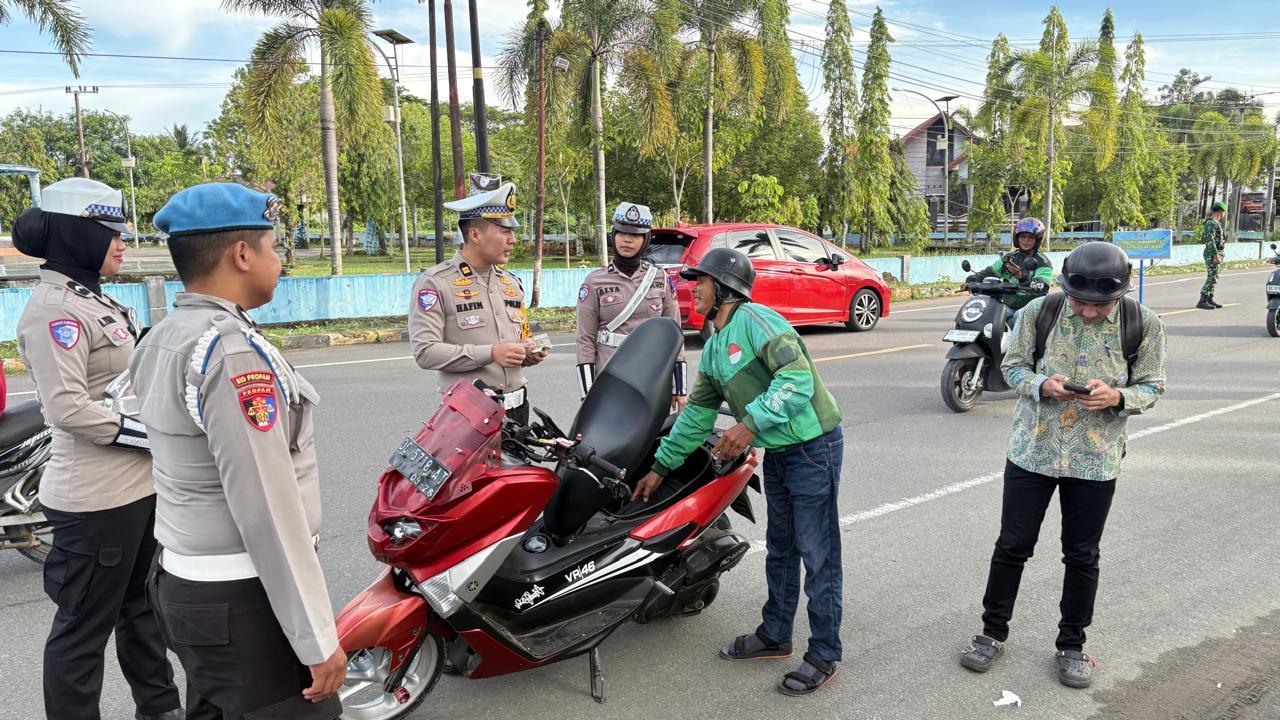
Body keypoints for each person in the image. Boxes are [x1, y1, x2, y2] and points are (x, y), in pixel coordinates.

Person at [132, 183, 346, 719]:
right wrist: (316, 637)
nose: (280, 261)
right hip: (241, 597)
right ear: (242, 254)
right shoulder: (230, 353)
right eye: (274, 247)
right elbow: (267, 509)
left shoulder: (165, 334)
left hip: (190, 584)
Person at [631, 248, 845, 697]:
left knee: (817, 553)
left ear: (726, 287)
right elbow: (696, 418)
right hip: (784, 453)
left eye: (702, 281)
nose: (694, 288)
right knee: (782, 549)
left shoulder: (758, 321)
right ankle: (776, 634)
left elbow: (798, 378)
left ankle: (824, 653)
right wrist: (659, 468)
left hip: (813, 448)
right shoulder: (712, 348)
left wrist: (748, 426)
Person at [958, 241, 1167, 689]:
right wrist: (1040, 385)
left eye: (1100, 304)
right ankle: (991, 633)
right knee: (1012, 546)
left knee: (1082, 554)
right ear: (1065, 287)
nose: (1089, 312)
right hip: (1033, 451)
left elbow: (1152, 385)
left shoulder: (1143, 324)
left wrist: (1118, 397)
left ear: (1119, 294)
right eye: (1080, 301)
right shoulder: (1040, 311)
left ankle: (1072, 645)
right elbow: (1011, 366)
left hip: (1096, 459)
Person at [12, 178, 182, 720]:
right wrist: (155, 435)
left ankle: (160, 711)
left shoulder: (92, 297)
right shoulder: (53, 311)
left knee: (144, 614)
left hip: (137, 490)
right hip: (94, 499)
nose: (122, 240)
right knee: (83, 632)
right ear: (75, 235)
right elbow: (68, 409)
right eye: (107, 231)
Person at [408, 176, 547, 424]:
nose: (513, 239)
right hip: (468, 416)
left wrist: (527, 354)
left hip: (517, 411)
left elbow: (519, 338)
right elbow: (425, 352)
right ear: (475, 234)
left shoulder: (511, 284)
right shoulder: (436, 283)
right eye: (505, 231)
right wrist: (491, 353)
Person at [575, 201, 687, 409]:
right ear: (613, 235)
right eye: (621, 233)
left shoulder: (660, 278)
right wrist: (588, 394)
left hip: (653, 379)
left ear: (645, 239)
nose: (627, 239)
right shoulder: (594, 282)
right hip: (610, 380)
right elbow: (585, 341)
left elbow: (675, 335)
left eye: (635, 235)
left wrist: (678, 387)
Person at [963, 217, 1054, 314]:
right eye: (1023, 237)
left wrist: (1022, 277)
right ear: (1017, 238)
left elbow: (1042, 286)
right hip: (1009, 307)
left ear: (1037, 240)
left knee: (1018, 319)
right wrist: (971, 280)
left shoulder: (1043, 263)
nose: (1026, 240)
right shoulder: (1010, 258)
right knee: (986, 315)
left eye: (1030, 237)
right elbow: (990, 272)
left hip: (1032, 308)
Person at [1197, 200, 1227, 310]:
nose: (1224, 215)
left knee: (1215, 276)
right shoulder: (1211, 223)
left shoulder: (1216, 223)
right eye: (1224, 212)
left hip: (1217, 252)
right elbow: (1210, 240)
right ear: (1220, 211)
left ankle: (1209, 298)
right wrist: (1215, 255)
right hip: (1212, 254)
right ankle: (1202, 300)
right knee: (1212, 277)